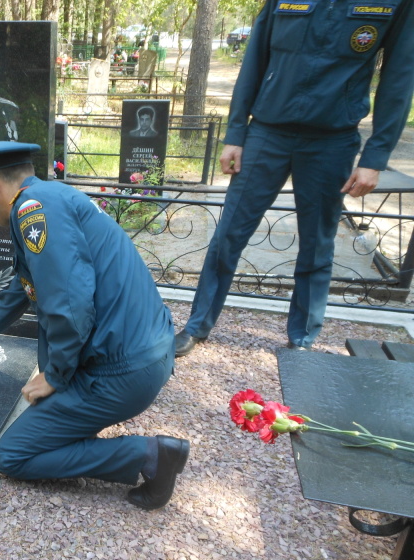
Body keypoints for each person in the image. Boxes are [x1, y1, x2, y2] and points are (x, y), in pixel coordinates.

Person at [0, 141, 189, 511]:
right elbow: (24, 287)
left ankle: (150, 455)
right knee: (45, 426)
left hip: (121, 372)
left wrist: (55, 375)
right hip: (141, 352)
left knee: (14, 455)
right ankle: (99, 431)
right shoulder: (49, 195)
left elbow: (69, 302)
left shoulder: (31, 210)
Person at [174, 0, 414, 357]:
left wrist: (375, 157)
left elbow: (399, 76)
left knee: (317, 244)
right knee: (228, 235)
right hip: (266, 134)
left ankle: (301, 339)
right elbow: (254, 60)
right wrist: (235, 133)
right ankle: (197, 325)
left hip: (332, 140)